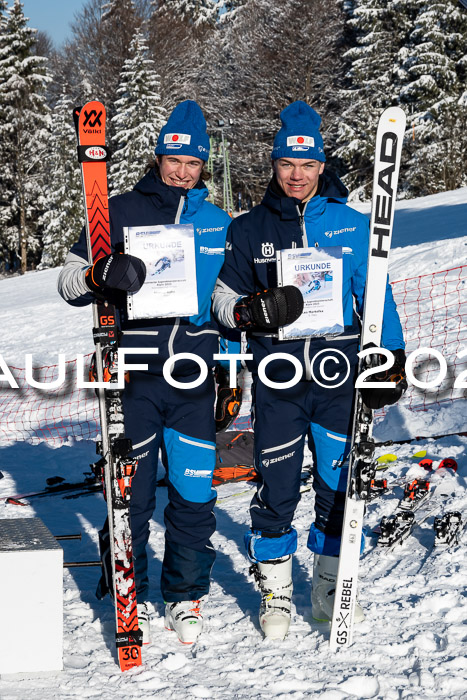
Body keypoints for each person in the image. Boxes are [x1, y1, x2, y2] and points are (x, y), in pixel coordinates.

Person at [212, 101, 407, 639]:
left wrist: (391, 355)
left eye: (307, 166)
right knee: (276, 486)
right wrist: (247, 312)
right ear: (273, 167)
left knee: (338, 484)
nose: (296, 176)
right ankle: (275, 589)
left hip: (338, 378)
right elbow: (223, 299)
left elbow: (377, 295)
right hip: (278, 380)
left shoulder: (350, 224)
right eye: (286, 166)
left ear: (321, 167)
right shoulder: (249, 229)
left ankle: (328, 582)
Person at [58, 100, 233, 646]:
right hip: (132, 379)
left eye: (193, 163)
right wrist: (98, 272)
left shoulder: (217, 221)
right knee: (130, 493)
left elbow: (225, 296)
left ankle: (184, 595)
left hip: (193, 380)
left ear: (203, 166)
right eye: (174, 159)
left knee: (193, 492)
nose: (183, 171)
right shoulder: (118, 210)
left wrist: (239, 332)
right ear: (159, 155)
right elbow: (68, 281)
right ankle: (125, 580)